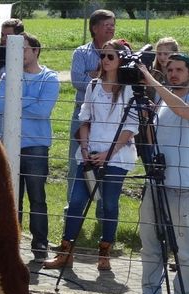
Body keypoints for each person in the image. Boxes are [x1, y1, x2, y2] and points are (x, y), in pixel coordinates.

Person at [44, 39, 138, 271]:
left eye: (110, 57)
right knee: (76, 201)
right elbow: (84, 120)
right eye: (103, 56)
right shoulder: (93, 85)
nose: (104, 61)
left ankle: (104, 252)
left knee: (109, 204)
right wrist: (85, 149)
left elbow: (131, 126)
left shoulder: (129, 89)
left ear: (121, 60)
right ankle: (66, 252)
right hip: (89, 154)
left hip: (116, 156)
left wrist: (109, 153)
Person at [137, 53, 189, 294]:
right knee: (150, 243)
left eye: (179, 70)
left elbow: (184, 111)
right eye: (170, 70)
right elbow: (153, 141)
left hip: (182, 185)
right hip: (156, 181)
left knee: (184, 248)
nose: (173, 74)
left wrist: (153, 84)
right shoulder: (163, 103)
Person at [0, 33, 60, 263]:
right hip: (10, 146)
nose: (19, 53)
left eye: (24, 49)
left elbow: (44, 111)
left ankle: (40, 244)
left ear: (36, 51)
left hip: (36, 146)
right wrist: (31, 99)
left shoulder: (49, 78)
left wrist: (16, 100)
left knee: (37, 197)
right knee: (13, 198)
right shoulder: (8, 76)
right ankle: (13, 243)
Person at [65, 9, 116, 217]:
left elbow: (117, 82)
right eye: (107, 25)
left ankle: (102, 212)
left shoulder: (117, 51)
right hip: (83, 117)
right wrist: (102, 80)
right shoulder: (81, 52)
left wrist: (95, 77)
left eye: (113, 25)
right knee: (76, 162)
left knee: (105, 163)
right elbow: (77, 80)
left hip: (108, 119)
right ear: (94, 28)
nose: (112, 28)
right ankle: (73, 209)